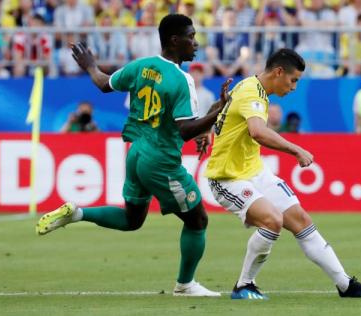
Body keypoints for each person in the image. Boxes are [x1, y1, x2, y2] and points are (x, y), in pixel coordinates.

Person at [36, 13, 232, 297]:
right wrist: (218, 112)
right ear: (175, 41)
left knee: (132, 219)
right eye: (191, 37)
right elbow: (185, 130)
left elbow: (104, 83)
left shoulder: (141, 66)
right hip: (161, 161)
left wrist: (90, 65)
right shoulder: (181, 79)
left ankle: (76, 213)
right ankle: (185, 285)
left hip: (137, 153)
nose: (196, 43)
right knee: (198, 220)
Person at [205, 48, 361, 300]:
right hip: (227, 177)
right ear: (278, 72)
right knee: (272, 221)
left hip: (254, 170)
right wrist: (296, 149)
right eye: (293, 79)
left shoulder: (250, 87)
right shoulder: (251, 92)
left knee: (301, 220)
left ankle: (345, 284)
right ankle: (244, 285)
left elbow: (220, 108)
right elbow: (257, 131)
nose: (295, 86)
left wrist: (208, 126)